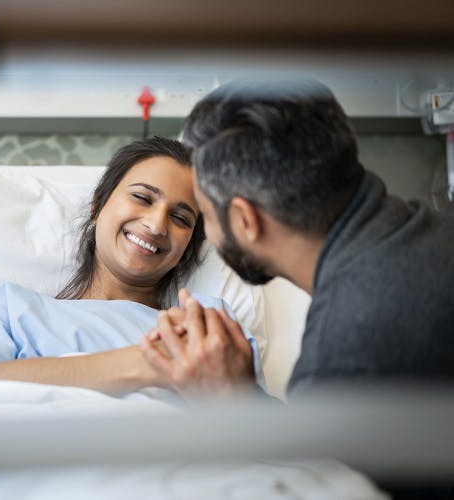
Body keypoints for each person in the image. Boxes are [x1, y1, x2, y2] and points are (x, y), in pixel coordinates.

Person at [140, 79, 454, 398]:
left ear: (244, 220)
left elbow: (325, 446)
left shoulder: (346, 358)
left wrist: (233, 399)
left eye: (204, 214)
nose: (206, 232)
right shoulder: (432, 231)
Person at [0, 136, 263, 397]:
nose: (155, 224)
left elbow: (266, 436)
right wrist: (145, 364)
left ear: (188, 246)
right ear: (98, 205)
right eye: (142, 197)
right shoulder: (13, 310)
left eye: (180, 218)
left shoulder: (205, 323)